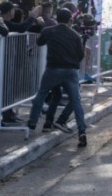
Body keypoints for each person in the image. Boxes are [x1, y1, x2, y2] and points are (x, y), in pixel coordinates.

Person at [26, 8, 88, 147]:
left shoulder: (49, 31)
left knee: (41, 94)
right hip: (71, 71)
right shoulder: (75, 35)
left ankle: (33, 122)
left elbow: (40, 42)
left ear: (57, 18)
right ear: (70, 20)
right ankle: (82, 131)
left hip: (53, 69)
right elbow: (81, 55)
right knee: (76, 100)